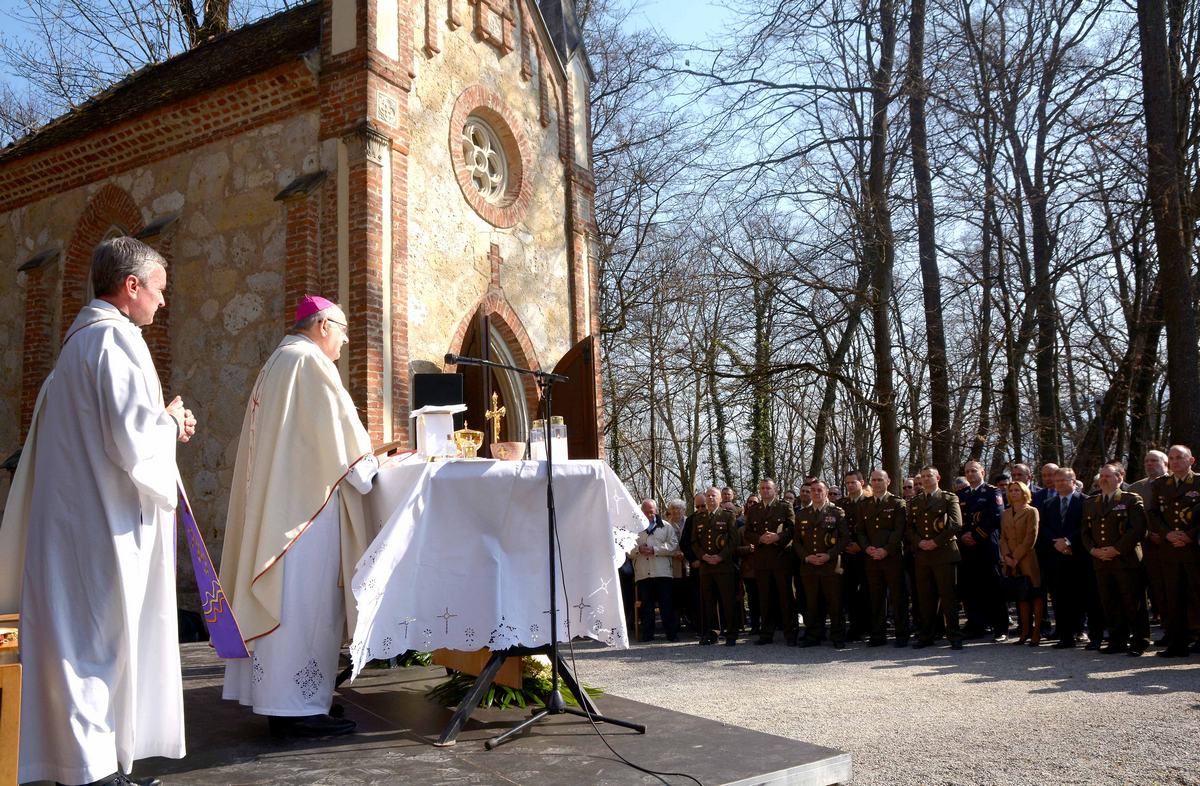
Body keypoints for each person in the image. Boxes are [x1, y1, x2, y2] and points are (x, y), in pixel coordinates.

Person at [1, 237, 195, 786]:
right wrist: (171, 423)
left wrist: (160, 422)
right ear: (130, 286)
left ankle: (87, 768)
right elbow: (133, 441)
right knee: (96, 647)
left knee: (80, 644)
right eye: (159, 290)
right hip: (101, 528)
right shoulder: (116, 341)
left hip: (74, 523)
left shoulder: (78, 345)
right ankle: (91, 775)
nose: (163, 302)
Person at [220, 295, 379, 737]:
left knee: (291, 610)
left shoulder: (277, 363)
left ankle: (288, 705)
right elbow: (342, 436)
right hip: (303, 520)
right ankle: (298, 711)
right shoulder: (309, 363)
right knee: (304, 611)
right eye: (343, 330)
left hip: (284, 512)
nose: (345, 340)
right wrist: (371, 469)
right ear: (324, 325)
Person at [1082, 463, 1148, 656]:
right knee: (1110, 602)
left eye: (1108, 476)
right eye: (1101, 476)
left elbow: (1138, 529)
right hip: (1101, 561)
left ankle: (1139, 640)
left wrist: (1116, 549)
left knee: (1132, 601)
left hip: (1125, 561)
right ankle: (1117, 639)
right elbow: (1084, 532)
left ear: (1120, 478)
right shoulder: (1091, 503)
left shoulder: (1130, 500)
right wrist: (1093, 550)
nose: (1103, 479)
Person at [1148, 445, 1200, 657]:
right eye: (1172, 458)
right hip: (1169, 550)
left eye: (1180, 457)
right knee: (1173, 597)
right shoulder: (1161, 485)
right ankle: (1177, 643)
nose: (1175, 461)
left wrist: (1190, 535)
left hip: (1194, 549)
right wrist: (1167, 534)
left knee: (1198, 595)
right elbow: (1153, 514)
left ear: (1191, 460)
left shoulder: (1198, 482)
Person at [908, 466, 964, 650]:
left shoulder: (948, 497)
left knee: (948, 597)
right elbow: (910, 527)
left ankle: (954, 636)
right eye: (922, 477)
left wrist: (935, 542)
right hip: (923, 555)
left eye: (929, 476)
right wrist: (920, 542)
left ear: (938, 477)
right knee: (925, 598)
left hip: (944, 553)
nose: (925, 479)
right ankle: (927, 635)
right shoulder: (915, 501)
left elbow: (956, 523)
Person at [1039, 467, 1094, 649]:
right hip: (1056, 557)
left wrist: (1069, 542)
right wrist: (1057, 543)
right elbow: (1044, 527)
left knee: (1083, 596)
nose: (1060, 483)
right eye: (1058, 481)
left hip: (1079, 556)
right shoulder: (1048, 503)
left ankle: (1084, 631)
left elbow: (1086, 526)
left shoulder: (1086, 501)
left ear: (1073, 481)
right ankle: (1065, 636)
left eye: (1065, 480)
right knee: (1060, 598)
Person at [957, 460, 1008, 641]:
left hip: (986, 545)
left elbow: (996, 515)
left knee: (993, 588)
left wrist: (976, 535)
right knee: (970, 589)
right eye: (967, 471)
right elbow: (957, 519)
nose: (970, 474)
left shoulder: (992, 492)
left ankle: (1000, 628)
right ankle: (976, 626)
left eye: (974, 471)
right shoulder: (961, 494)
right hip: (967, 549)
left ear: (982, 472)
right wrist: (963, 535)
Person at [794, 480, 849, 649]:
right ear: (809, 493)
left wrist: (829, 555)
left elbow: (844, 538)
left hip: (830, 566)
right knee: (812, 603)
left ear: (825, 493)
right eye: (813, 491)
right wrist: (807, 557)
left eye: (819, 490)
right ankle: (813, 635)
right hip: (809, 566)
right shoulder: (802, 514)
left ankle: (837, 636)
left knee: (834, 603)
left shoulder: (836, 512)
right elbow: (797, 541)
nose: (816, 493)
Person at [743, 479, 797, 646]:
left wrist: (778, 537)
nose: (765, 491)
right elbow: (747, 532)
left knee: (785, 597)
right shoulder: (754, 510)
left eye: (768, 488)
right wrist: (759, 538)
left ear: (775, 490)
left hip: (781, 558)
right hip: (762, 561)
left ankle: (790, 634)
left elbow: (793, 528)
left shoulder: (785, 507)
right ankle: (766, 633)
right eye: (762, 488)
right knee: (765, 598)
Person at [859, 469, 909, 647]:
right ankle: (877, 635)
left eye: (880, 480)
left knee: (898, 597)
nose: (877, 483)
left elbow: (899, 530)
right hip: (872, 558)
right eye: (874, 480)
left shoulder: (897, 503)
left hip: (892, 557)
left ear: (888, 482)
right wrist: (867, 548)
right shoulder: (865, 504)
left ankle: (902, 634)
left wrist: (886, 550)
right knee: (876, 598)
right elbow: (860, 530)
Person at [692, 486, 740, 646]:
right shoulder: (698, 518)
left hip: (723, 566)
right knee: (708, 601)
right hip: (706, 567)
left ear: (720, 499)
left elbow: (734, 540)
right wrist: (703, 556)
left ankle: (732, 633)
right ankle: (712, 633)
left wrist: (720, 556)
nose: (710, 498)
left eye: (713, 496)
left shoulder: (728, 516)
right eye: (708, 496)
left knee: (727, 600)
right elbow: (694, 542)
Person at [1129, 449, 1168, 634]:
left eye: (1154, 460)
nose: (1149, 464)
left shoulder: (1172, 483)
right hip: (1142, 544)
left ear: (1165, 463)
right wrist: (1146, 534)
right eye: (1146, 461)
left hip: (1168, 544)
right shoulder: (1136, 488)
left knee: (1170, 589)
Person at [1000, 481, 1042, 645]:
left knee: (1035, 595)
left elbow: (1031, 536)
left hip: (1027, 558)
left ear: (1024, 492)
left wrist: (1016, 556)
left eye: (1017, 490)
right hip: (1010, 560)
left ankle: (1037, 632)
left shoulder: (1032, 511)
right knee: (1021, 596)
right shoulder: (1005, 513)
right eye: (1011, 490)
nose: (1014, 493)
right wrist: (1006, 556)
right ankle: (1025, 632)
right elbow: (1002, 537)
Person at [631, 499, 680, 642]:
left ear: (656, 511)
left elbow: (673, 546)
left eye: (651, 512)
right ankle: (647, 634)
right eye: (645, 512)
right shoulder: (635, 528)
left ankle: (671, 633)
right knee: (647, 606)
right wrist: (638, 549)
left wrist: (655, 550)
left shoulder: (666, 526)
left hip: (662, 572)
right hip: (643, 573)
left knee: (666, 604)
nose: (648, 515)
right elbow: (628, 550)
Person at [839, 471, 871, 641]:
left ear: (862, 482)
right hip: (847, 554)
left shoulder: (869, 502)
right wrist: (846, 545)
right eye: (847, 483)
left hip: (865, 553)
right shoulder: (841, 503)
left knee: (867, 590)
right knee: (850, 592)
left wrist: (861, 545)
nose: (850, 485)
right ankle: (854, 626)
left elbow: (873, 528)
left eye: (853, 482)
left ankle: (869, 625)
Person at [664, 498, 692, 631]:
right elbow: (664, 544)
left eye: (679, 508)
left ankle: (690, 620)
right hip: (673, 564)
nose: (676, 511)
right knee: (675, 596)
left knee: (689, 594)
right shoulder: (666, 525)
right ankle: (675, 624)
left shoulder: (689, 522)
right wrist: (675, 553)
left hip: (688, 563)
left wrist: (685, 553)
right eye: (673, 508)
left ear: (683, 510)